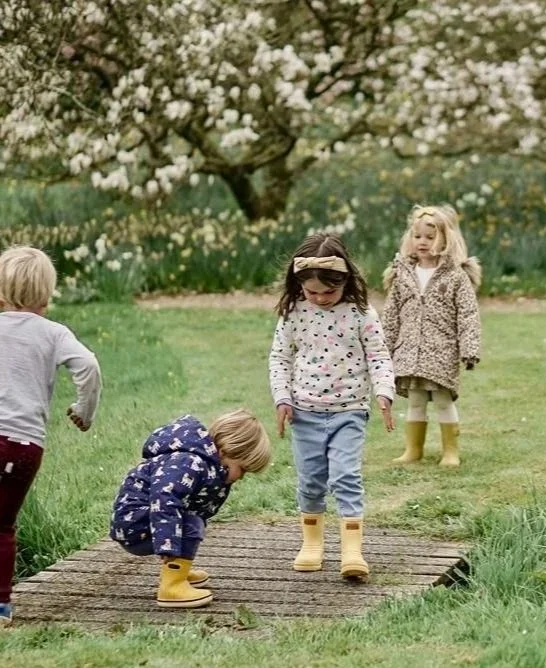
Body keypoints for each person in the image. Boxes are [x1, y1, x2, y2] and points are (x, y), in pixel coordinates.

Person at [269, 233, 395, 580]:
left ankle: (352, 551)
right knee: (310, 481)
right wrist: (282, 398)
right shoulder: (294, 313)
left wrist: (384, 391)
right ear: (299, 285)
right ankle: (312, 544)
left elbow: (379, 355)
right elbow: (280, 358)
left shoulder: (360, 313)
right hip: (304, 412)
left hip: (349, 411)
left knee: (346, 476)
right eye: (312, 292)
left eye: (329, 291)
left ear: (345, 282)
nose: (321, 298)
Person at [0, 246, 101, 628]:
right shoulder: (54, 333)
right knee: (3, 525)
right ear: (47, 294)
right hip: (26, 446)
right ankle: (1, 607)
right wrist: (83, 411)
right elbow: (89, 365)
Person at [109, 409, 271, 608]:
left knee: (194, 520)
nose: (240, 477)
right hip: (135, 525)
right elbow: (164, 498)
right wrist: (168, 545)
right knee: (192, 523)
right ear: (225, 451)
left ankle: (178, 572)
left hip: (141, 521)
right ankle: (172, 586)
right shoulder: (189, 462)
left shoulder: (204, 463)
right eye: (242, 469)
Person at [382, 204, 481, 467]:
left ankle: (451, 451)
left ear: (445, 239)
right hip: (409, 350)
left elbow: (468, 314)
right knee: (415, 401)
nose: (423, 242)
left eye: (430, 236)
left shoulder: (455, 277)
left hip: (441, 350)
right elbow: (392, 313)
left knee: (442, 400)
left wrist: (469, 349)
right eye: (417, 237)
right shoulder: (402, 274)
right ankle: (413, 449)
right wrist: (385, 347)